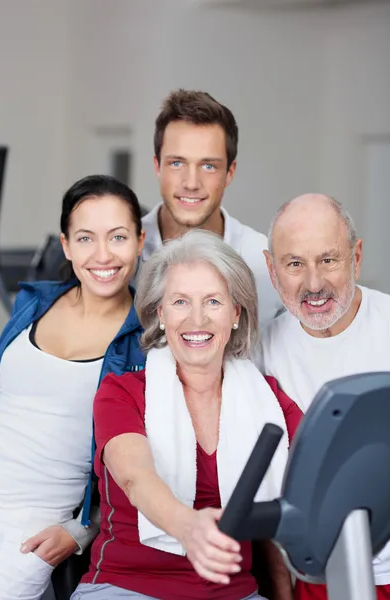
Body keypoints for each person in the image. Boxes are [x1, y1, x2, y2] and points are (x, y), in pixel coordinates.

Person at [72, 229, 301, 600]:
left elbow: (323, 475)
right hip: (124, 586)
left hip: (234, 593)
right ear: (160, 314)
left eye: (213, 301)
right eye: (180, 302)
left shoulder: (270, 402)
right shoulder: (121, 393)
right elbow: (135, 477)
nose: (197, 319)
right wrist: (187, 527)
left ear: (236, 314)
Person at [0, 175, 146, 600]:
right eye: (85, 238)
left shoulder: (146, 341)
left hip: (32, 532)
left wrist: (81, 531)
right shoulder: (34, 303)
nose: (102, 255)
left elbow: (144, 469)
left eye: (117, 237)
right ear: (65, 245)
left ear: (139, 240)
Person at [256, 193, 390, 600]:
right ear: (272, 269)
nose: (313, 284)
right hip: (316, 576)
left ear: (356, 256)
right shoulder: (259, 355)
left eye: (328, 260)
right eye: (295, 263)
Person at [136, 89, 282, 327]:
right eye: (176, 163)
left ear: (230, 173)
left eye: (209, 166)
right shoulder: (121, 253)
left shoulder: (263, 262)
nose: (191, 183)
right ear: (157, 166)